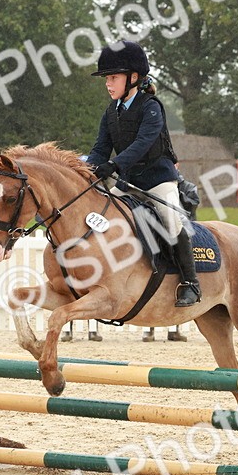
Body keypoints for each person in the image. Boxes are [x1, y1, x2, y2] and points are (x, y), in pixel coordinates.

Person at [87, 40, 201, 307]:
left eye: (113, 77)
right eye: (107, 78)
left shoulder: (151, 107)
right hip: (128, 183)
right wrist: (87, 170)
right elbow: (100, 148)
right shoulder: (110, 113)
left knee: (172, 221)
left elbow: (143, 143)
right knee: (98, 214)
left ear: (133, 78)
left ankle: (190, 283)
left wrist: (114, 165)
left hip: (158, 181)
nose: (108, 83)